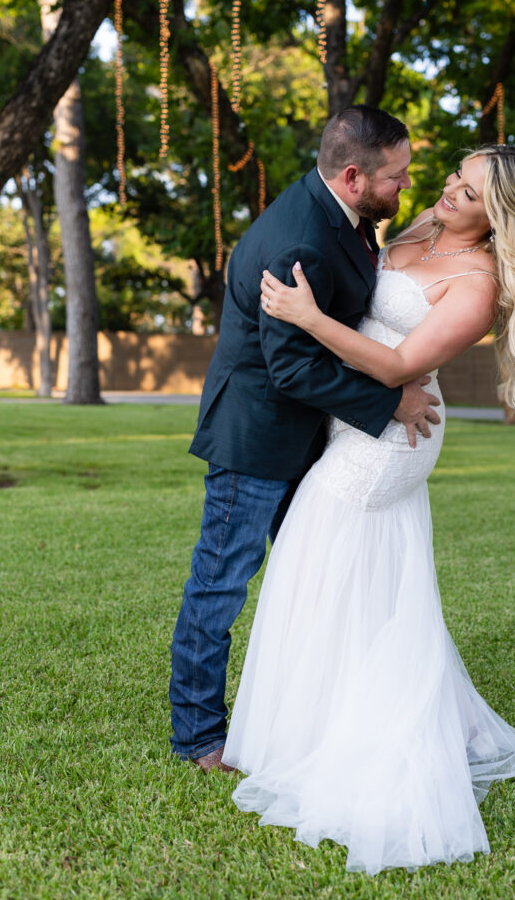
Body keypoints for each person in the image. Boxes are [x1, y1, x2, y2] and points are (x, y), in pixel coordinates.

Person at [222, 144, 515, 874]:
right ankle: (317, 719)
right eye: (454, 177)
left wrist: (303, 315)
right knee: (359, 582)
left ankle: (336, 735)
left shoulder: (479, 285)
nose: (447, 191)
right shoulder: (419, 228)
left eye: (468, 190)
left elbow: (398, 366)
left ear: (501, 216)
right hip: (355, 417)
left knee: (314, 558)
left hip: (392, 434)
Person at [170, 106, 442, 770]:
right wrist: (391, 399)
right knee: (220, 583)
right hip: (256, 436)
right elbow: (291, 366)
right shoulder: (302, 241)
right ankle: (200, 736)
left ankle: (306, 716)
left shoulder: (339, 215)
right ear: (352, 176)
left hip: (308, 434)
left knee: (307, 580)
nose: (404, 188)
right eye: (397, 178)